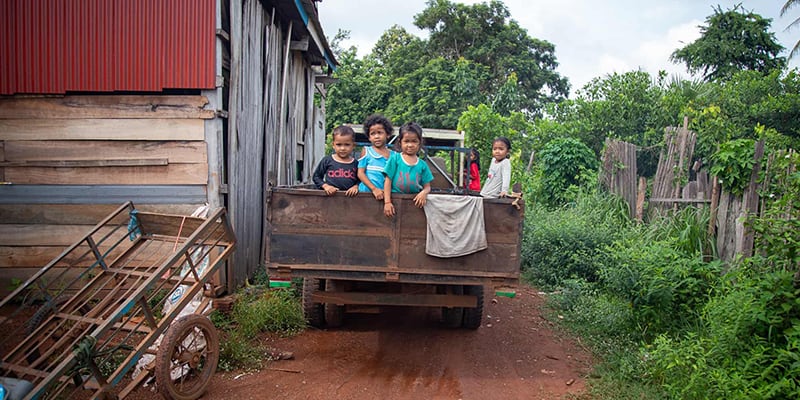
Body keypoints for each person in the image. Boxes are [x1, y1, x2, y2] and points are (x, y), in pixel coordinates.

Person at [382, 122, 434, 218]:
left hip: (414, 202)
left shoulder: (422, 165)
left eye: (414, 141)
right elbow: (387, 181)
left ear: (419, 143)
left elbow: (427, 187)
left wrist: (423, 193)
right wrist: (387, 202)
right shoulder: (395, 159)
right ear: (400, 142)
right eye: (406, 141)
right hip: (395, 200)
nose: (410, 145)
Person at [312, 125, 360, 197]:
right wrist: (326, 186)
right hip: (330, 199)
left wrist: (356, 186)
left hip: (350, 200)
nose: (343, 148)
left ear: (353, 145)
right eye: (339, 145)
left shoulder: (356, 163)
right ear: (333, 145)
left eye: (347, 145)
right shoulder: (327, 160)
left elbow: (361, 179)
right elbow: (316, 177)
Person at [358, 114, 393, 200]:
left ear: (387, 134)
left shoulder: (394, 155)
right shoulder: (366, 151)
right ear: (369, 137)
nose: (376, 136)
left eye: (380, 133)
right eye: (373, 134)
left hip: (385, 196)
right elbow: (360, 173)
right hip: (365, 195)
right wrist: (374, 189)